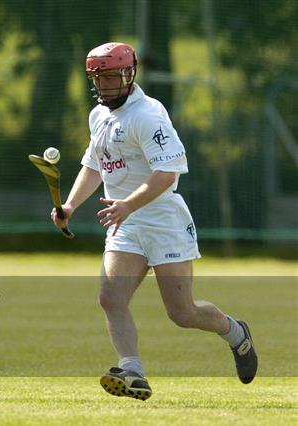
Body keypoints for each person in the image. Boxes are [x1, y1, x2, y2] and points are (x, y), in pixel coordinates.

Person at [51, 42, 257, 400]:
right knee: (110, 298)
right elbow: (94, 165)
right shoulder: (98, 116)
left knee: (183, 313)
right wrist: (70, 205)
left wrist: (128, 204)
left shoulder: (147, 114)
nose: (106, 84)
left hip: (162, 220)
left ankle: (236, 333)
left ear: (129, 75)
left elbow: (167, 172)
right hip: (125, 222)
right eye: (99, 78)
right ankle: (132, 370)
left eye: (113, 76)